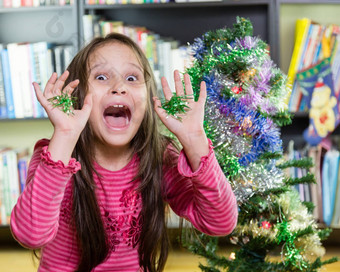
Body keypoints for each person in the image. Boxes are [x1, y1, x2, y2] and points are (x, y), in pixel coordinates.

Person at [10, 33, 238, 272]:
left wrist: (195, 140)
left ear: (148, 100)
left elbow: (221, 223)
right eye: (101, 77)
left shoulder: (160, 157)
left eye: (131, 78)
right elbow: (30, 236)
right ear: (78, 97)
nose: (118, 87)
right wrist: (65, 135)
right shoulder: (53, 157)